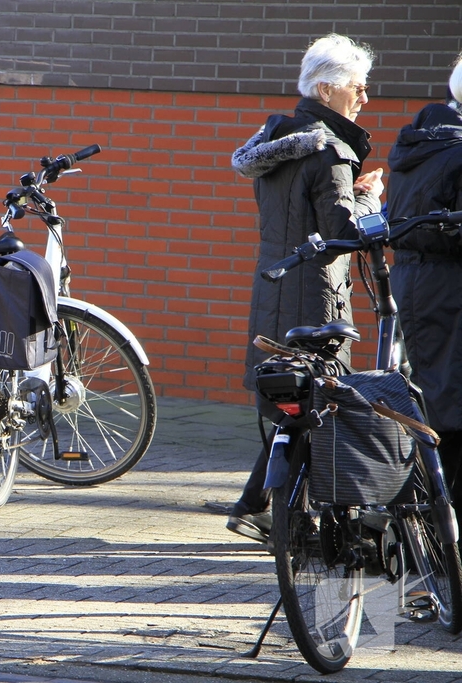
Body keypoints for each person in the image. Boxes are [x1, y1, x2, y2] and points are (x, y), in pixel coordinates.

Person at [226, 34, 385, 543]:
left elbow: (293, 220)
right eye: (356, 88)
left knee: (289, 403)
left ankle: (257, 506)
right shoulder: (332, 152)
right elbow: (339, 233)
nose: (364, 98)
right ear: (325, 89)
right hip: (316, 296)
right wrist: (370, 201)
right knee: (317, 401)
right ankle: (277, 515)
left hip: (273, 285)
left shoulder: (273, 144)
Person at [386, 54, 462, 525]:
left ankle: (422, 530)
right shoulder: (455, 153)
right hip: (449, 290)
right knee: (451, 414)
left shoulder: (417, 147)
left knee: (437, 406)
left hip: (417, 285)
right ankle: (436, 538)